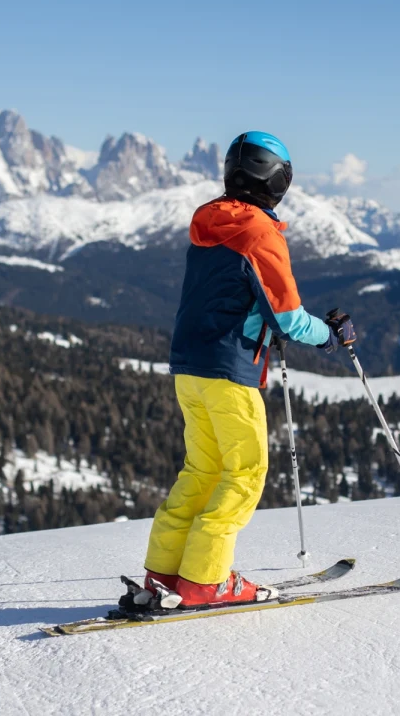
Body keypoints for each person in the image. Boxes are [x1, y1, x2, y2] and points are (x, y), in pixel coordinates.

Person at [141, 131, 357, 608]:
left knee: (201, 471)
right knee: (244, 475)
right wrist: (330, 335)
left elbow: (232, 295)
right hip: (229, 372)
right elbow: (287, 318)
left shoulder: (207, 222)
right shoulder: (259, 233)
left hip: (189, 367)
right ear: (277, 180)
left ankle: (163, 574)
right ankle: (205, 582)